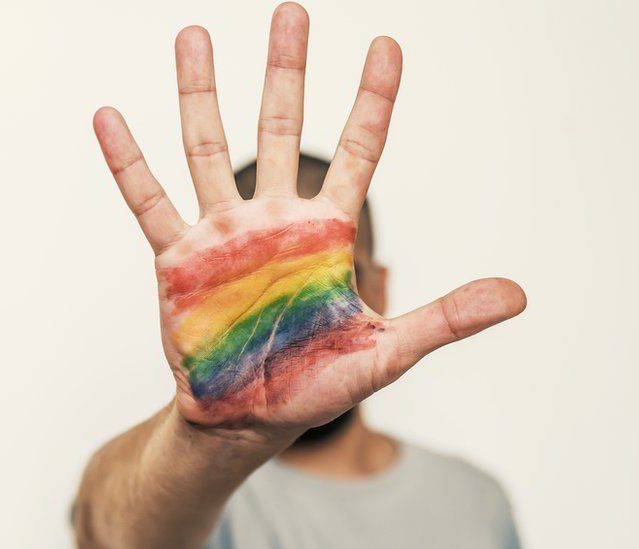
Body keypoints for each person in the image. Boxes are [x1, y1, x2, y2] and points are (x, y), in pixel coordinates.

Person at [73, 4, 527, 548]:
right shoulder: (200, 495)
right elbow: (105, 531)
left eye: (338, 281)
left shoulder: (475, 501)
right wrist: (212, 443)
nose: (292, 324)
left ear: (378, 286)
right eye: (252, 295)